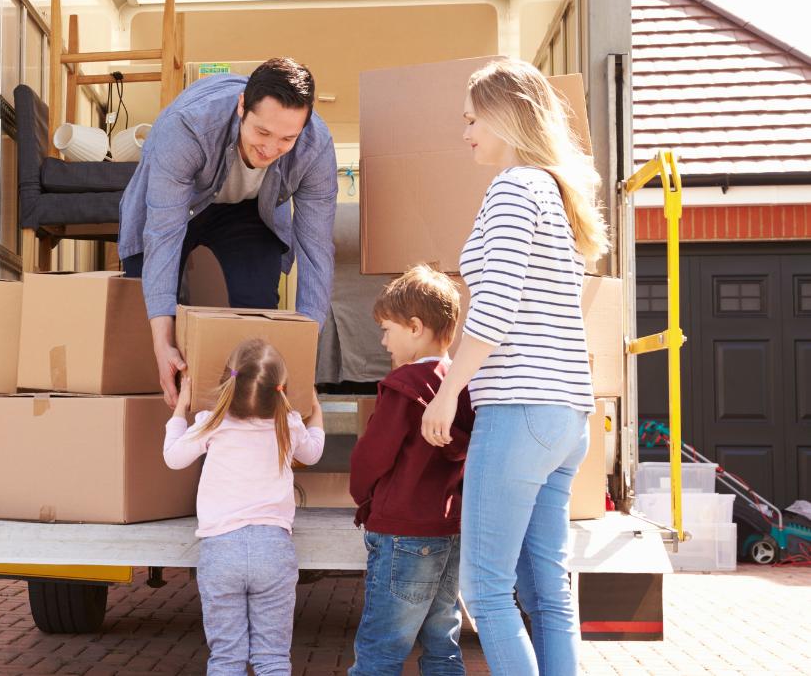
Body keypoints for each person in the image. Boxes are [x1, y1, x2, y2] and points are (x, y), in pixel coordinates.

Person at [419, 59, 608, 675]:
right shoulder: (557, 195)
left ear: (504, 116)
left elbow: (495, 311)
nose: (466, 132)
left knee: (487, 588)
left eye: (473, 119)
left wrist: (448, 390)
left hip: (519, 410)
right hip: (568, 416)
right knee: (548, 595)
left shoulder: (513, 188)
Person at [118, 58, 338, 407]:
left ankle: (243, 426)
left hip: (248, 212)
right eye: (262, 133)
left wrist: (303, 352)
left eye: (286, 139)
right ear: (241, 107)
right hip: (177, 207)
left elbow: (316, 249)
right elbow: (163, 234)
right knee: (150, 325)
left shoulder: (316, 146)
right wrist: (162, 342)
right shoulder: (188, 127)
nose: (269, 149)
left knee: (256, 310)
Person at [163, 338, 326, 676]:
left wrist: (181, 407)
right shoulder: (289, 423)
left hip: (221, 551)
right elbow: (313, 452)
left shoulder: (212, 422)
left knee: (226, 659)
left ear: (227, 382)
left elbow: (173, 458)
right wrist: (316, 408)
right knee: (273, 658)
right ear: (281, 390)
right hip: (273, 550)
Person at [348, 265, 476, 676]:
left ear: (415, 327)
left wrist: (362, 497)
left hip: (402, 532)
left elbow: (372, 456)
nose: (384, 341)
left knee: (381, 648)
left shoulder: (403, 386)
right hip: (448, 532)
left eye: (387, 329)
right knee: (442, 644)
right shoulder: (462, 385)